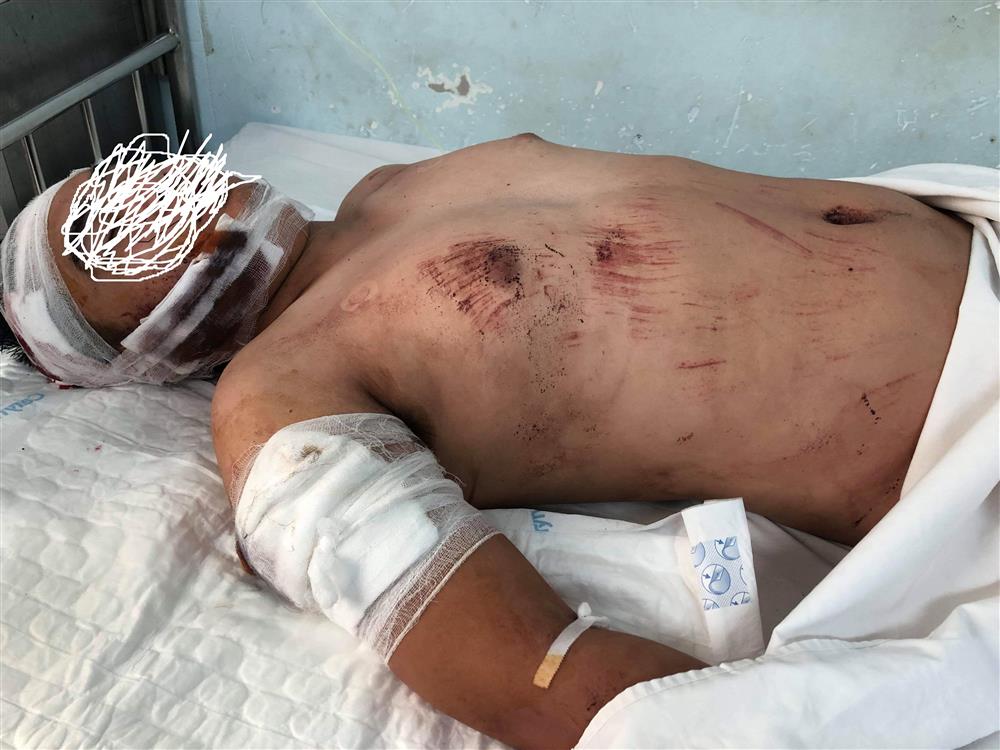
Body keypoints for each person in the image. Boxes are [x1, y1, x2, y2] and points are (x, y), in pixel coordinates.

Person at [0, 133, 972, 749]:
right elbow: (533, 680)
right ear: (140, 352)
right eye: (102, 235)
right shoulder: (280, 393)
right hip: (969, 425)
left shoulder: (390, 185)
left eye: (121, 175)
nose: (145, 192)